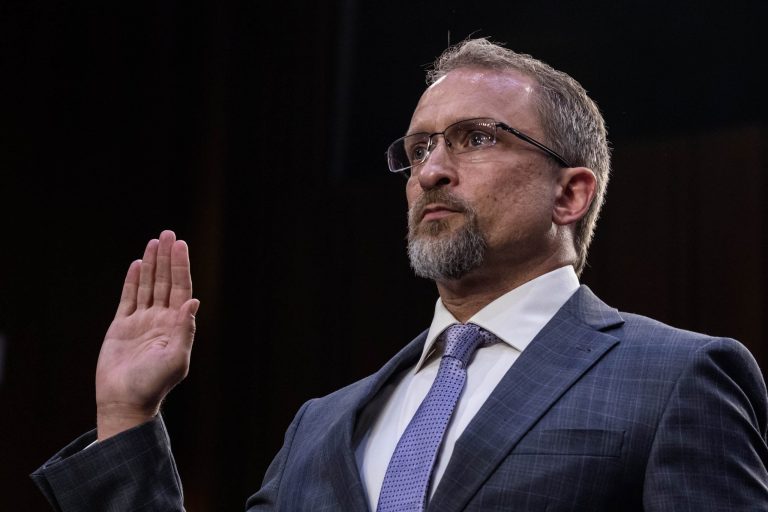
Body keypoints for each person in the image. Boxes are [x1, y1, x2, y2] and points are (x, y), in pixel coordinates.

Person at [32, 38, 768, 511]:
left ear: (570, 193)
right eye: (417, 150)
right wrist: (128, 420)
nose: (432, 171)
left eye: (474, 138)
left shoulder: (677, 378)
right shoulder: (320, 426)